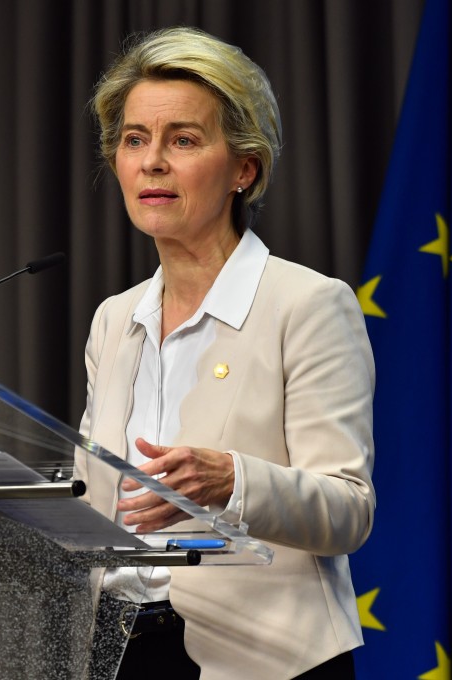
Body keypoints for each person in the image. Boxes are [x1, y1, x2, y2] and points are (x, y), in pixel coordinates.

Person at [75, 26, 376, 679]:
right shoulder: (113, 319)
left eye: (183, 139)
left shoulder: (308, 304)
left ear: (245, 167)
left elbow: (349, 509)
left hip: (270, 661)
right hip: (122, 651)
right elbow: (99, 498)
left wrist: (235, 481)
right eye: (134, 139)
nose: (152, 161)